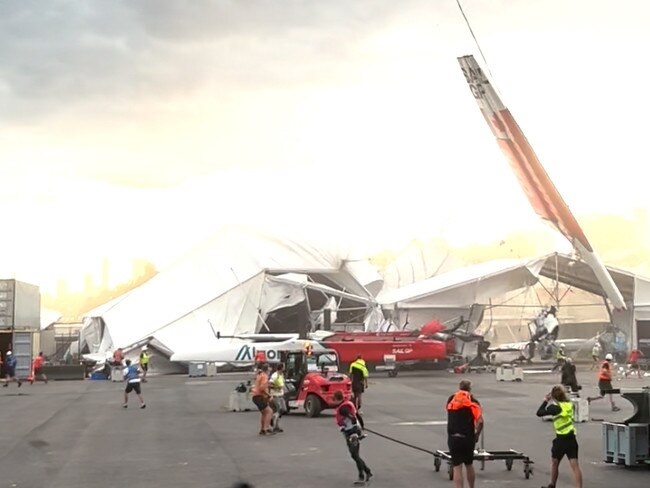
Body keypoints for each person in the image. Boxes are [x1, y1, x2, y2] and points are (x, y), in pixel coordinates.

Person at [536, 385, 583, 488]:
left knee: (554, 463)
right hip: (571, 439)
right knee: (575, 466)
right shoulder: (569, 405)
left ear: (553, 397)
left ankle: (552, 485)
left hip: (561, 440)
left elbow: (539, 413)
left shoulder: (555, 408)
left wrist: (545, 401)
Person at [446, 380, 483, 488]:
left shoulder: (451, 399)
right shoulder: (473, 401)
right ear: (470, 389)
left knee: (457, 467)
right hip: (467, 438)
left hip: (453, 437)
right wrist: (477, 435)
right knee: (469, 465)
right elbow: (480, 422)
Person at [333, 390, 372, 484]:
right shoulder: (347, 404)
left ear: (336, 399)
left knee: (355, 454)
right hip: (353, 431)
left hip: (352, 433)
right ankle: (367, 471)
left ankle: (362, 475)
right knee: (354, 455)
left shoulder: (343, 408)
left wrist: (354, 426)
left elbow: (352, 417)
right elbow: (357, 415)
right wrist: (361, 426)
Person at [251, 364, 273, 435]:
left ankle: (262, 429)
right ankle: (266, 429)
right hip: (259, 396)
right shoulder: (264, 376)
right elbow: (262, 388)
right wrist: (269, 395)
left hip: (255, 396)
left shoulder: (260, 375)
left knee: (264, 413)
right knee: (269, 411)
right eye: (269, 369)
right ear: (267, 369)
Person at [269, 363, 287, 433]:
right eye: (284, 367)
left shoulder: (281, 375)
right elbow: (270, 384)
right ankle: (275, 425)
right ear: (281, 368)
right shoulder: (275, 375)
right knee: (279, 409)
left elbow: (282, 384)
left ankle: (273, 420)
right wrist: (277, 387)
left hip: (281, 395)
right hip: (275, 395)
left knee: (283, 410)